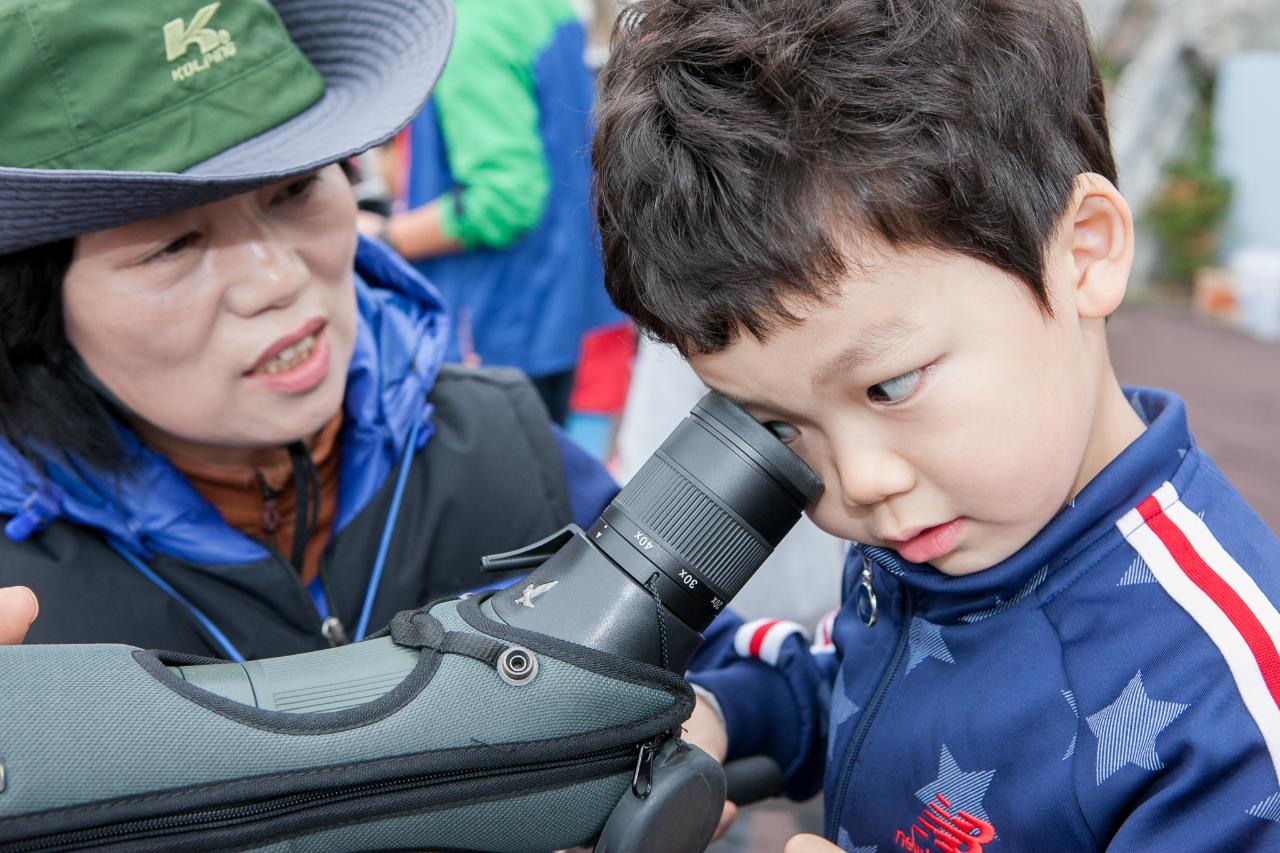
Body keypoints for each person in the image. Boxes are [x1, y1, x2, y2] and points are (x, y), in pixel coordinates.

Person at [592, 1, 1280, 850]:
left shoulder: (1228, 703)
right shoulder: (941, 518)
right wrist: (731, 709)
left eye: (891, 385)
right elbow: (867, 677)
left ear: (1085, 253)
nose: (855, 485)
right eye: (777, 427)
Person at [0, 0, 616, 661]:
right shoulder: (20, 604)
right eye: (175, 244)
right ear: (32, 307)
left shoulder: (508, 445)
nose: (276, 280)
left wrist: (712, 711)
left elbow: (716, 655)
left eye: (295, 190)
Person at [358, 0, 621, 425]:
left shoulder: (469, 32)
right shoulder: (545, 10)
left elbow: (506, 199)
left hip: (493, 323)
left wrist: (383, 239)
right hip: (552, 304)